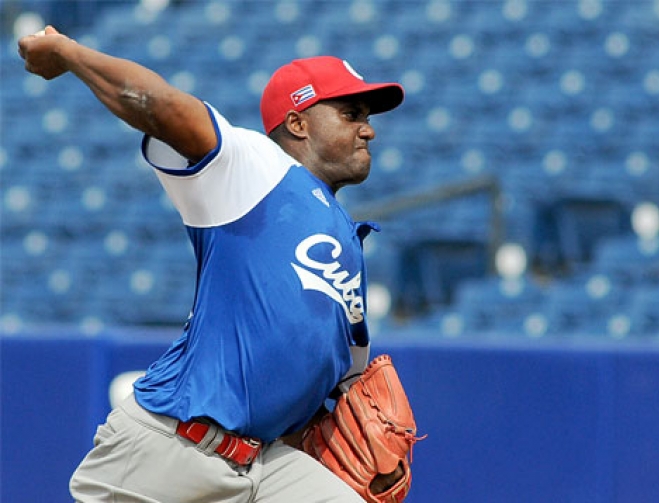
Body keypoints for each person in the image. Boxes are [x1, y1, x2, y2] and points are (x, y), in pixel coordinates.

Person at [18, 25, 405, 502]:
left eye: (365, 116)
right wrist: (67, 52)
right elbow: (161, 105)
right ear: (298, 123)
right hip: (170, 448)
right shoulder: (256, 168)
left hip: (262, 464)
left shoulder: (345, 237)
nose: (368, 128)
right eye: (350, 113)